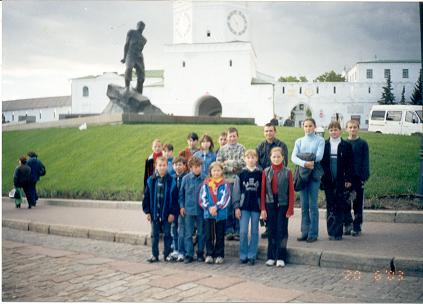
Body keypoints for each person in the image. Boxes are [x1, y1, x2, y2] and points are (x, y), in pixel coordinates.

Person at [291, 118, 325, 243]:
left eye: (310, 126)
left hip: (314, 174)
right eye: (306, 126)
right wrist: (305, 163)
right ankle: (304, 231)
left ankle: (313, 233)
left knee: (313, 205)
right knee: (304, 205)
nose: (308, 128)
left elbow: (319, 156)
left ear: (314, 127)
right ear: (303, 127)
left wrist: (303, 156)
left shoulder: (320, 140)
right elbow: (293, 157)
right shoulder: (299, 141)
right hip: (302, 174)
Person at [260, 147, 294, 267]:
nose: (276, 159)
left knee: (282, 230)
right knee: (271, 230)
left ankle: (281, 256)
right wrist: (263, 209)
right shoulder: (266, 172)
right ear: (270, 158)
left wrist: (290, 208)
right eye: (274, 157)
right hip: (270, 203)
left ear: (283, 158)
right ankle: (271, 256)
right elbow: (263, 191)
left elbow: (291, 191)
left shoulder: (288, 172)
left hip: (283, 204)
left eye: (278, 156)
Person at [321, 121, 353, 240]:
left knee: (340, 205)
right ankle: (331, 232)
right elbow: (322, 163)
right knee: (330, 205)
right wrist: (324, 177)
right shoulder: (324, 144)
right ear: (328, 131)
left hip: (341, 179)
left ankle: (338, 232)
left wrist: (348, 179)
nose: (333, 132)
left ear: (340, 131)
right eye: (331, 130)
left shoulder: (346, 145)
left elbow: (350, 164)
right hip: (328, 178)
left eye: (336, 129)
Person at [142, 157, 179, 263]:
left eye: (164, 165)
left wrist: (172, 213)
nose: (162, 167)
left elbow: (175, 199)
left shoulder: (171, 181)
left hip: (167, 214)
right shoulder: (151, 180)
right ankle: (154, 254)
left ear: (167, 166)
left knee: (168, 234)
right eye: (160, 165)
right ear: (156, 166)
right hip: (154, 213)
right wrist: (147, 211)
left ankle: (167, 254)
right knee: (154, 234)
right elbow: (146, 197)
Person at [256, 123, 289, 239]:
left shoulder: (282, 145)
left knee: (277, 204)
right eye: (266, 131)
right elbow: (257, 162)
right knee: (265, 203)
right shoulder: (260, 146)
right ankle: (268, 227)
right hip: (263, 177)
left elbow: (284, 163)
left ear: (275, 132)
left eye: (270, 131)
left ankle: (278, 228)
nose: (268, 133)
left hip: (278, 178)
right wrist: (264, 172)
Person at [216, 127, 246, 241]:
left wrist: (230, 163)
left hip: (238, 181)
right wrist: (232, 167)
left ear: (237, 136)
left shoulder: (242, 148)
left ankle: (238, 230)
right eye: (230, 136)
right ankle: (229, 230)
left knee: (237, 205)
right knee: (227, 205)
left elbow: (243, 163)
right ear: (227, 137)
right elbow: (219, 164)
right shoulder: (222, 150)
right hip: (226, 181)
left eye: (234, 136)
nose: (232, 138)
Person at [234, 150, 262, 265]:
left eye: (253, 157)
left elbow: (262, 191)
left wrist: (263, 207)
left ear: (256, 159)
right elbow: (236, 192)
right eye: (248, 158)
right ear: (245, 159)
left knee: (255, 232)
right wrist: (236, 207)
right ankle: (243, 254)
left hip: (256, 207)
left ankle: (252, 255)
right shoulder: (241, 174)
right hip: (243, 207)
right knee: (244, 231)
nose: (250, 160)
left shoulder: (260, 174)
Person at [200, 162, 231, 265]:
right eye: (214, 171)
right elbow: (202, 197)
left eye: (218, 170)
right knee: (209, 235)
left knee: (219, 235)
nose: (216, 173)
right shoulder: (206, 183)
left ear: (222, 171)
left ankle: (219, 255)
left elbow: (225, 198)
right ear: (210, 172)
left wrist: (216, 207)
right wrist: (209, 207)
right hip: (208, 213)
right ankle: (209, 254)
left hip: (220, 214)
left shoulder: (225, 183)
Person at [344, 120, 370, 236]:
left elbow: (365, 162)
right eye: (350, 127)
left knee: (357, 203)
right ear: (346, 129)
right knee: (345, 202)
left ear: (358, 128)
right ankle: (347, 224)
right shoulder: (343, 143)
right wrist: (344, 179)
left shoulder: (363, 144)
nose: (352, 129)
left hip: (358, 178)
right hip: (346, 179)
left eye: (354, 127)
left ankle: (357, 225)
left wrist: (363, 177)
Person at [179, 156, 206, 263]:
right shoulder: (186, 179)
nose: (197, 169)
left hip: (201, 210)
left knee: (201, 233)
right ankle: (189, 254)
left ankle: (200, 253)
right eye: (195, 167)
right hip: (188, 210)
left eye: (199, 167)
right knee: (188, 233)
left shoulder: (205, 179)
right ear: (190, 168)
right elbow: (181, 194)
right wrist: (182, 206)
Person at [169, 156, 188, 262]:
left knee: (181, 230)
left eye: (180, 164)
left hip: (182, 208)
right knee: (174, 229)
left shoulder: (186, 177)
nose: (178, 167)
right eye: (176, 165)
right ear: (173, 166)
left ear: (184, 166)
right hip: (173, 208)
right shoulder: (171, 178)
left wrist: (183, 206)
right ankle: (175, 249)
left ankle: (182, 251)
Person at [121, 21, 147, 94]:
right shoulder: (131, 32)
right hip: (131, 53)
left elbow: (141, 49)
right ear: (137, 25)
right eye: (139, 25)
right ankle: (127, 88)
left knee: (141, 75)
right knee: (129, 69)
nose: (140, 26)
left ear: (144, 27)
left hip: (139, 55)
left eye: (142, 25)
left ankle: (139, 91)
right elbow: (126, 44)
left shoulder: (144, 40)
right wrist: (124, 57)